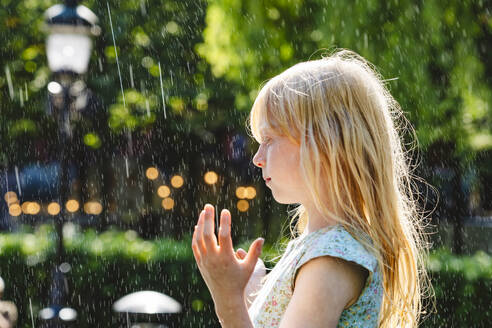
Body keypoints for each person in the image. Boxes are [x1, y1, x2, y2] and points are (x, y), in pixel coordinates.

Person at [191, 49, 431, 328]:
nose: (257, 158)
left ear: (326, 145)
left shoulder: (331, 259)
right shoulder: (320, 247)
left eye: (269, 139)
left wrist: (228, 300)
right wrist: (250, 295)